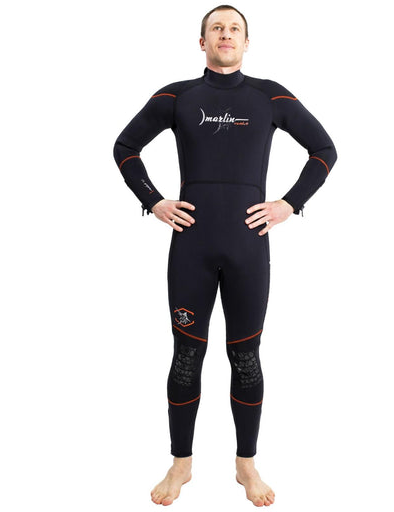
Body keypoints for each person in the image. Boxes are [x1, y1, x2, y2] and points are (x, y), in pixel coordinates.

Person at [113, 4, 337, 507]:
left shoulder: (269, 96)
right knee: (186, 356)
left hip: (247, 250)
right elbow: (125, 147)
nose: (226, 34)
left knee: (246, 357)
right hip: (190, 248)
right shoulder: (178, 96)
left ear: (246, 42)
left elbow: (324, 150)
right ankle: (181, 465)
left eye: (235, 28)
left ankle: (245, 465)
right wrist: (154, 201)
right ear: (203, 42)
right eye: (217, 28)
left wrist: (288, 204)